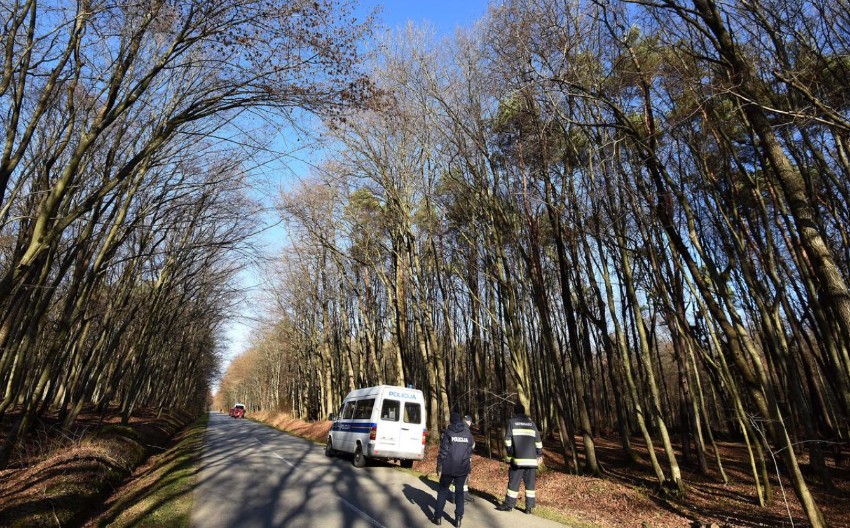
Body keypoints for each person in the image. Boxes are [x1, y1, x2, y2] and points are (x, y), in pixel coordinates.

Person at [496, 402, 542, 515]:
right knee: (530, 485)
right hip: (531, 461)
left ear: (515, 411)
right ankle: (529, 508)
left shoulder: (512, 422)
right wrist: (538, 454)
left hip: (518, 460)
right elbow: (538, 442)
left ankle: (509, 505)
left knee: (514, 483)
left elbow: (507, 440)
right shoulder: (532, 423)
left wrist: (512, 452)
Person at [432, 412, 474, 527]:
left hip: (448, 468)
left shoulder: (448, 433)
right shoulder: (467, 433)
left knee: (443, 491)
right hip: (462, 468)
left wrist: (439, 466)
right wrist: (468, 467)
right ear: (460, 420)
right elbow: (470, 451)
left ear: (451, 421)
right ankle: (458, 519)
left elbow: (443, 452)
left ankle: (438, 517)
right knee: (459, 492)